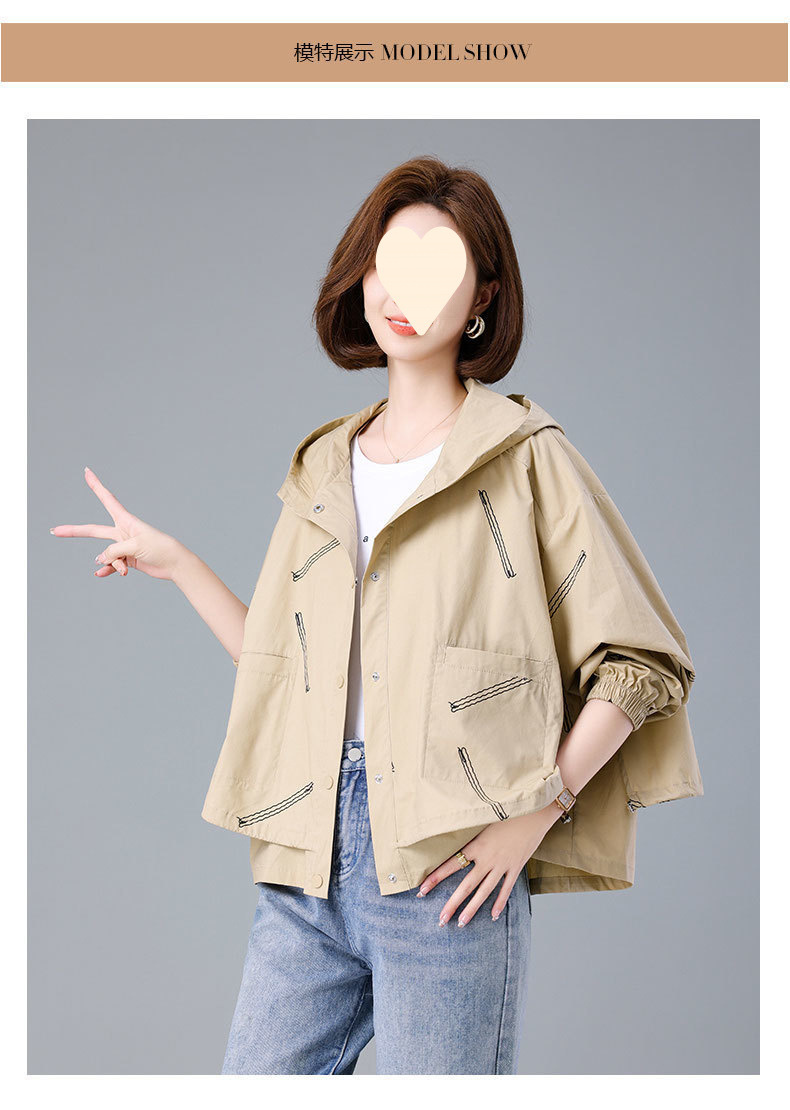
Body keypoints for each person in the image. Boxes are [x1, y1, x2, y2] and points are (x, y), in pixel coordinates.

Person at [51, 156, 702, 1075]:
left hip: (448, 867)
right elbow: (289, 677)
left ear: (482, 297)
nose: (404, 293)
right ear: (361, 278)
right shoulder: (324, 466)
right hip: (308, 865)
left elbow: (641, 664)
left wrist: (535, 815)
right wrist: (181, 565)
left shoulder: (524, 457)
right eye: (388, 264)